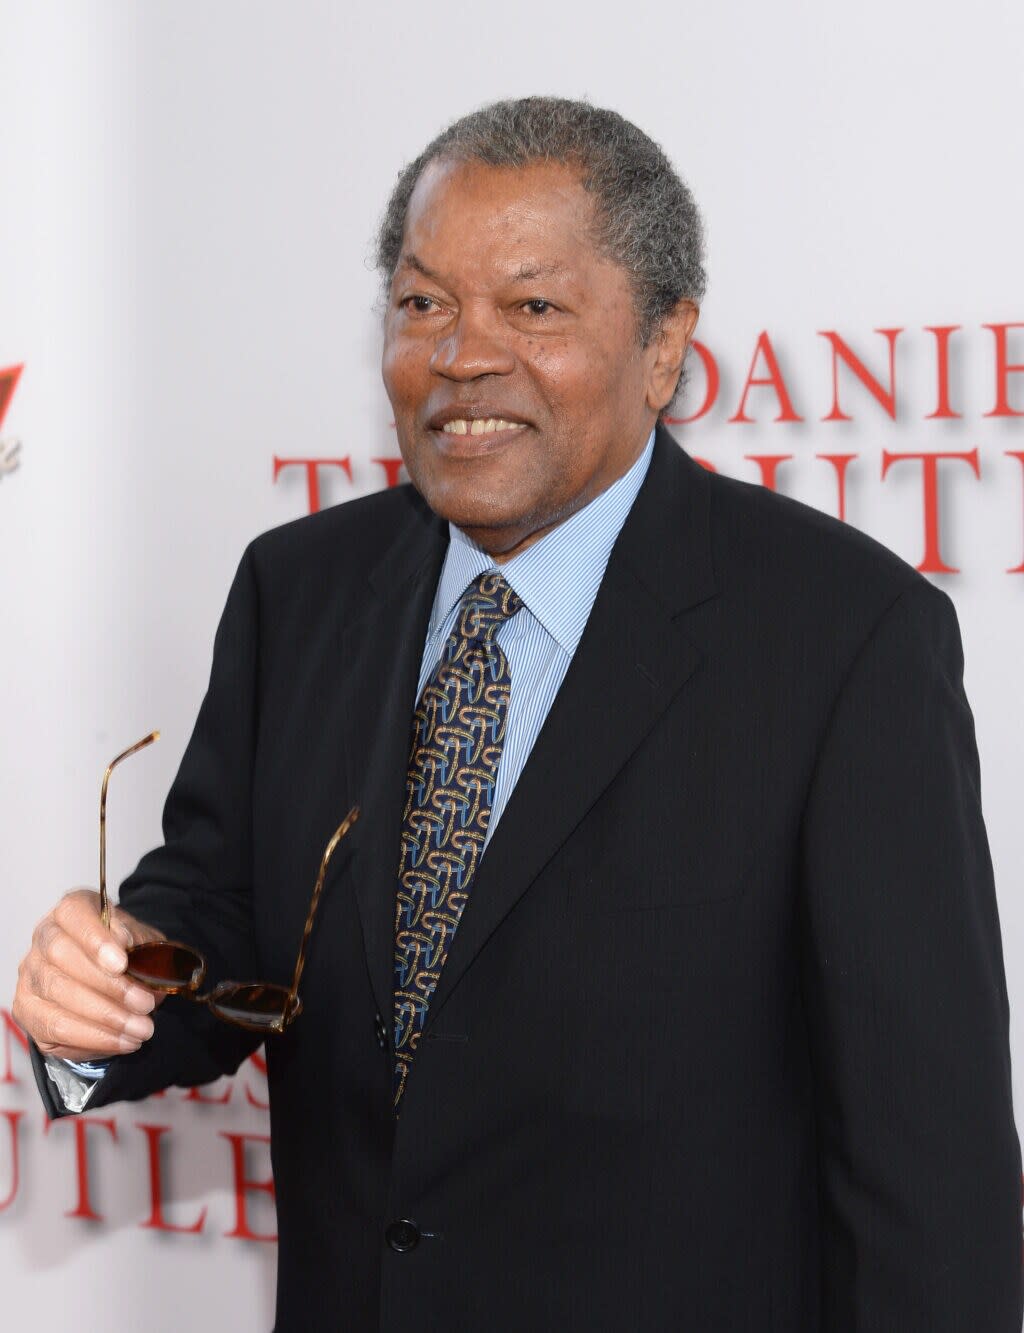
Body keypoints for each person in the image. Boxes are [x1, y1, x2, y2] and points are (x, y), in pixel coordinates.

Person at [12, 97, 1023, 1331]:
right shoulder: (299, 588)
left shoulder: (843, 637)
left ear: (664, 346)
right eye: (422, 303)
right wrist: (112, 982)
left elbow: (930, 1180)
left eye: (532, 308)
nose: (459, 354)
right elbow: (225, 918)